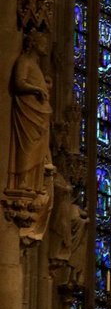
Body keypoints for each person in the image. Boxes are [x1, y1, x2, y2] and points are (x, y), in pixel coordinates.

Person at [7, 29, 53, 193]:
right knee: (27, 147)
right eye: (43, 42)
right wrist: (37, 90)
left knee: (37, 148)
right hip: (27, 113)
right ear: (33, 43)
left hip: (38, 114)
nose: (46, 46)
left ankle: (34, 182)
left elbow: (34, 83)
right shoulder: (24, 61)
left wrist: (44, 87)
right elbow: (19, 83)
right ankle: (22, 182)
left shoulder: (35, 66)